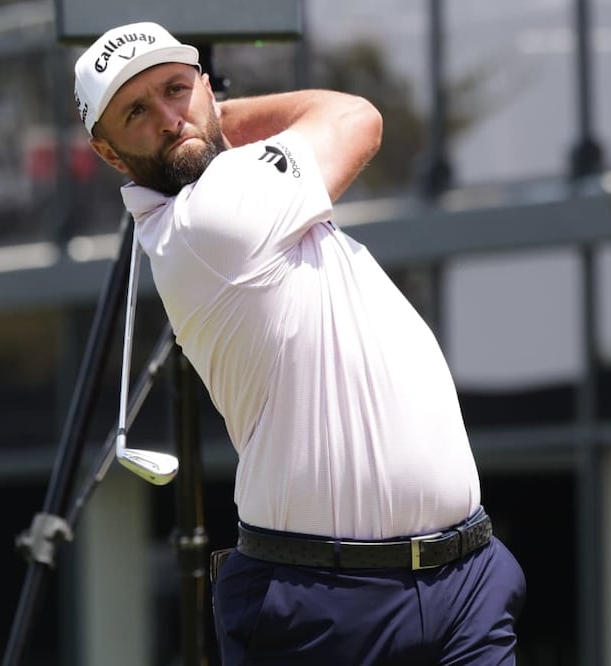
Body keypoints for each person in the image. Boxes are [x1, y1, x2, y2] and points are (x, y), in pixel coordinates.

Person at [74, 21, 525, 665]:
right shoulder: (211, 216)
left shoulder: (246, 200)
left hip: (464, 578)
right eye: (137, 112)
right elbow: (354, 116)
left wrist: (205, 120)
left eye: (177, 90)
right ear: (111, 153)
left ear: (202, 83)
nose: (170, 119)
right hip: (325, 604)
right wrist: (216, 114)